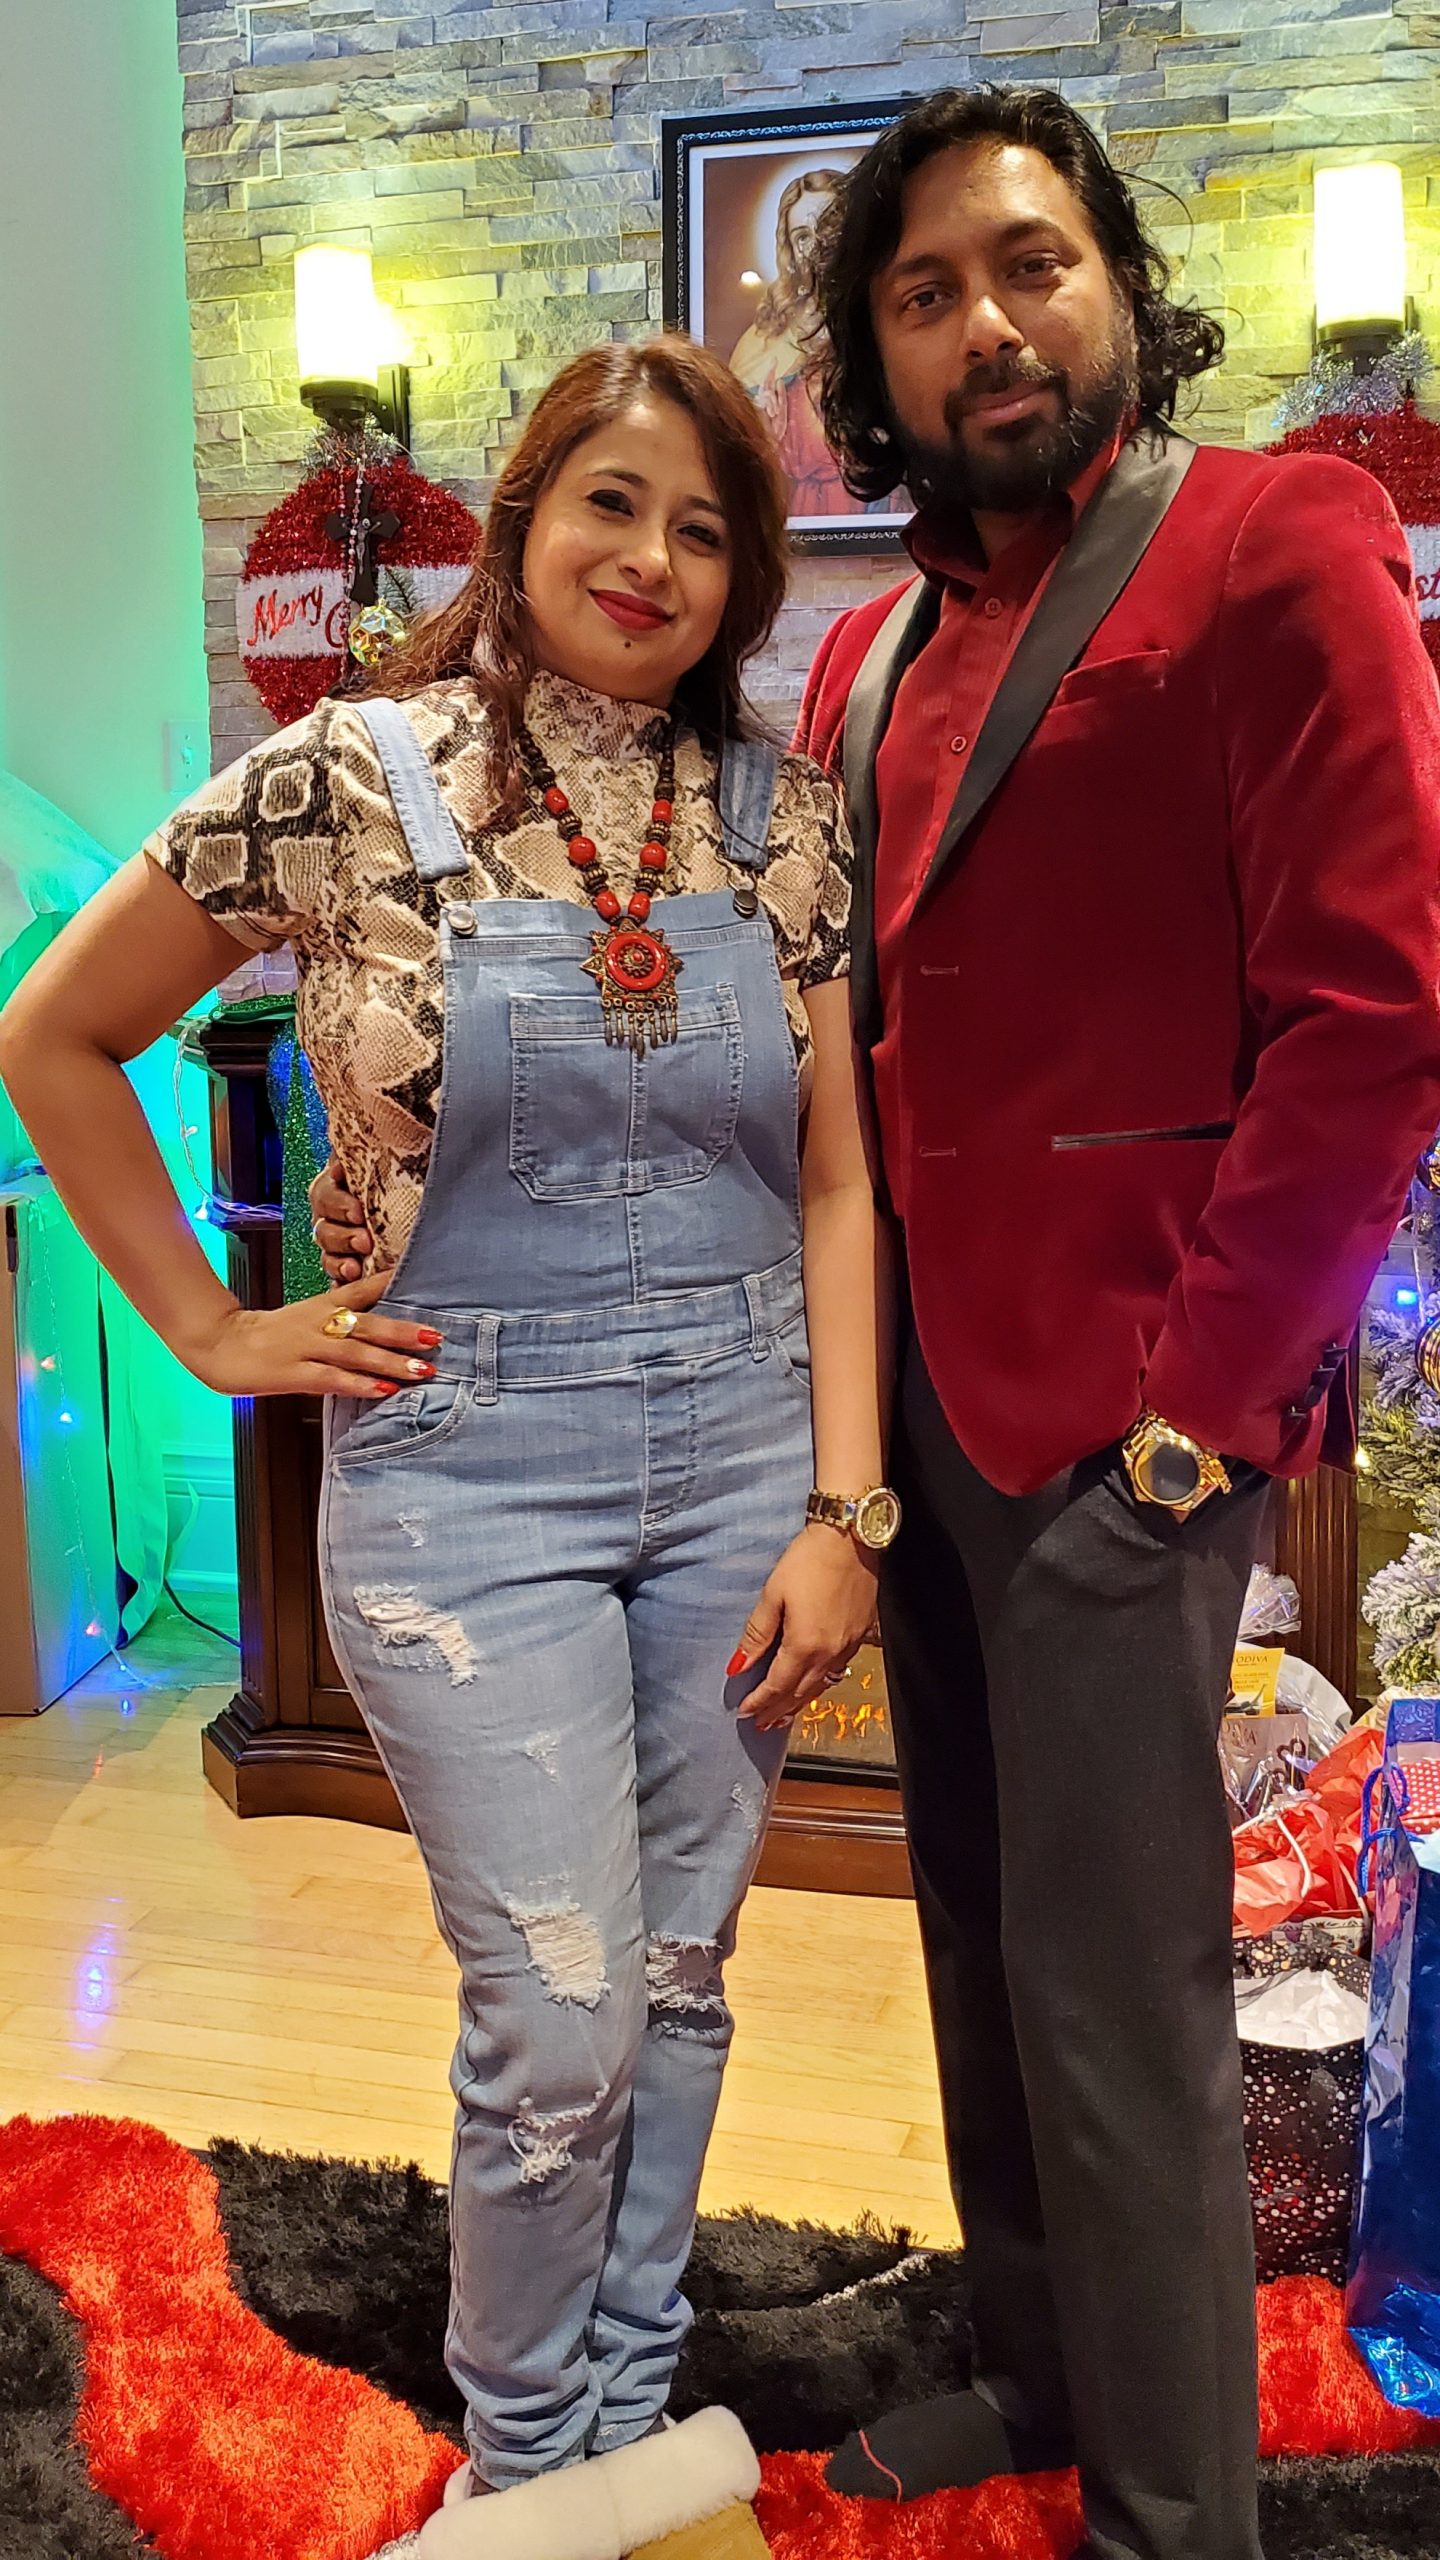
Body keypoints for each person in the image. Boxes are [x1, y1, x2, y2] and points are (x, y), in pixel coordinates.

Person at [0, 335, 896, 2560]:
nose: (653, 557)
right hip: (462, 1479)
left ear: (742, 578)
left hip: (742, 1465)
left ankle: (624, 2426)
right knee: (560, 2010)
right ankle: (522, 2468)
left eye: (705, 528)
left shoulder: (787, 818)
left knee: (678, 1976)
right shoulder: (342, 779)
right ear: (524, 517)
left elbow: (838, 1184)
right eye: (613, 500)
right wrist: (210, 1327)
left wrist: (844, 1504)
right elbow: (57, 1032)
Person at [787, 81, 1440, 2560]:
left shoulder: (1278, 537)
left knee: (1119, 1980)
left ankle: (1176, 2515)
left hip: (1125, 1413)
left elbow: (1371, 1009)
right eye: (925, 288)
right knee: (975, 1922)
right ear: (875, 357)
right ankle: (1040, 2366)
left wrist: (1202, 1407)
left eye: (1030, 261)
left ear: (1118, 287)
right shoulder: (862, 655)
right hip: (921, 1405)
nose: (987, 320)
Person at [729, 169, 855, 518]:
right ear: (789, 248)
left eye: (828, 228)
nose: (815, 247)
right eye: (802, 237)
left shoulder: (883, 323)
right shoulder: (762, 339)